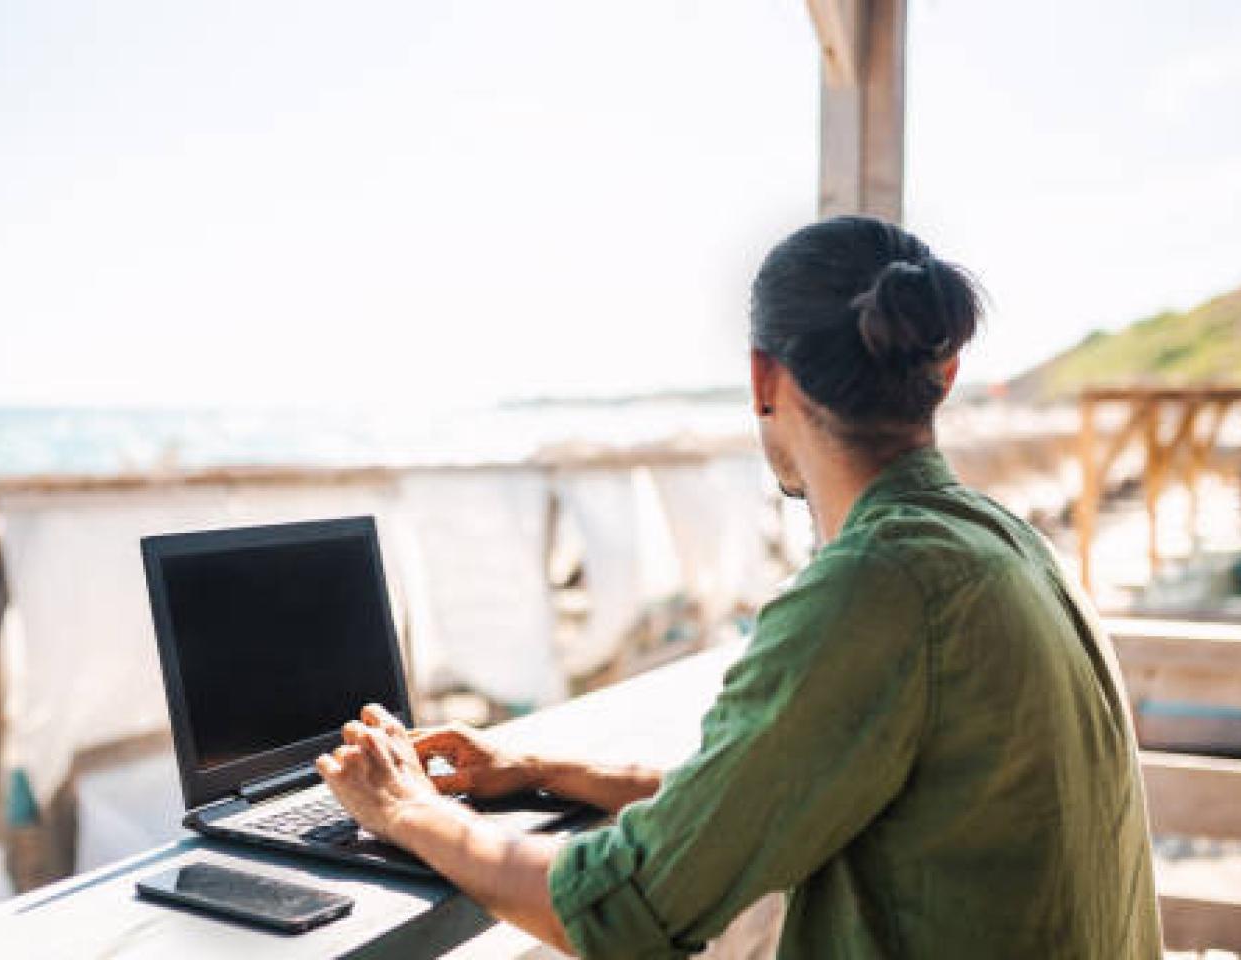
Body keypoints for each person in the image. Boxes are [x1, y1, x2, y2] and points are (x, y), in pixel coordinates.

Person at [317, 216, 1164, 958]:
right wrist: (538, 767)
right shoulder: (1005, 545)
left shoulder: (876, 587)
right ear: (943, 374)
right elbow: (760, 795)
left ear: (764, 379)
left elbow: (625, 910)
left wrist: (407, 809)